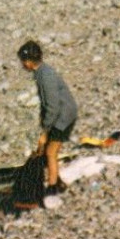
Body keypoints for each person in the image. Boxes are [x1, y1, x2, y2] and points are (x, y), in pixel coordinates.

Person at [17, 41, 77, 208]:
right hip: (61, 115)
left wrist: (45, 130)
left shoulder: (46, 75)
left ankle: (52, 189)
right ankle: (57, 180)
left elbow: (53, 106)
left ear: (28, 61)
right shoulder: (42, 72)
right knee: (47, 150)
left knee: (50, 151)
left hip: (63, 117)